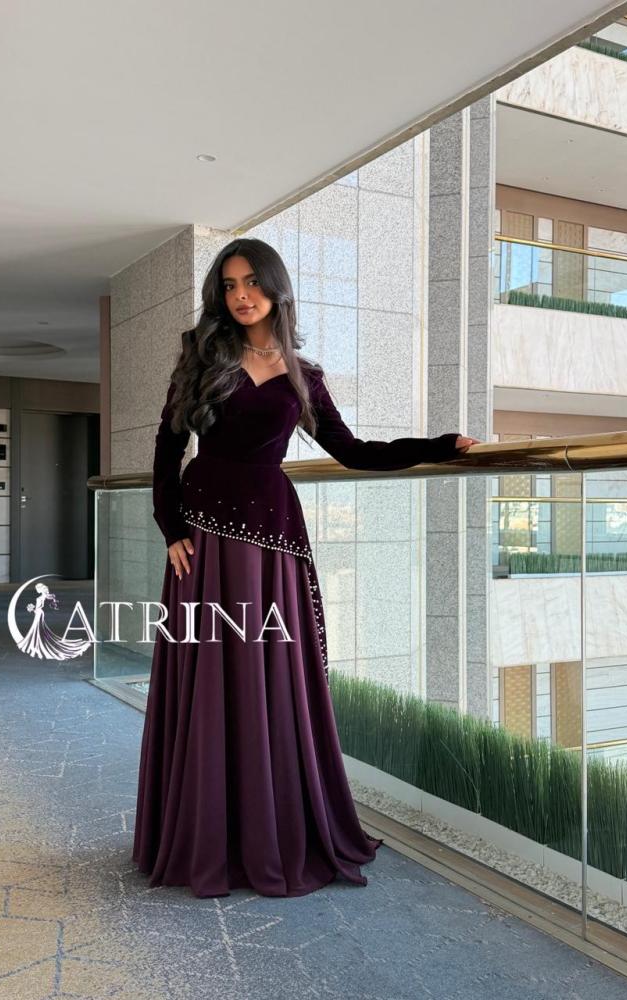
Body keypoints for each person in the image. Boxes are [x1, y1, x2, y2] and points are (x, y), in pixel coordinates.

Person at [132, 237, 479, 898]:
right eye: (229, 285)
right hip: (203, 541)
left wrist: (440, 445)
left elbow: (353, 451)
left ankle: (271, 826)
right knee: (210, 679)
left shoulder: (303, 375)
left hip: (272, 544)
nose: (241, 296)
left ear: (276, 287)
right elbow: (167, 448)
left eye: (251, 282)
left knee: (269, 678)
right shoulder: (201, 357)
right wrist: (170, 528)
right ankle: (207, 835)